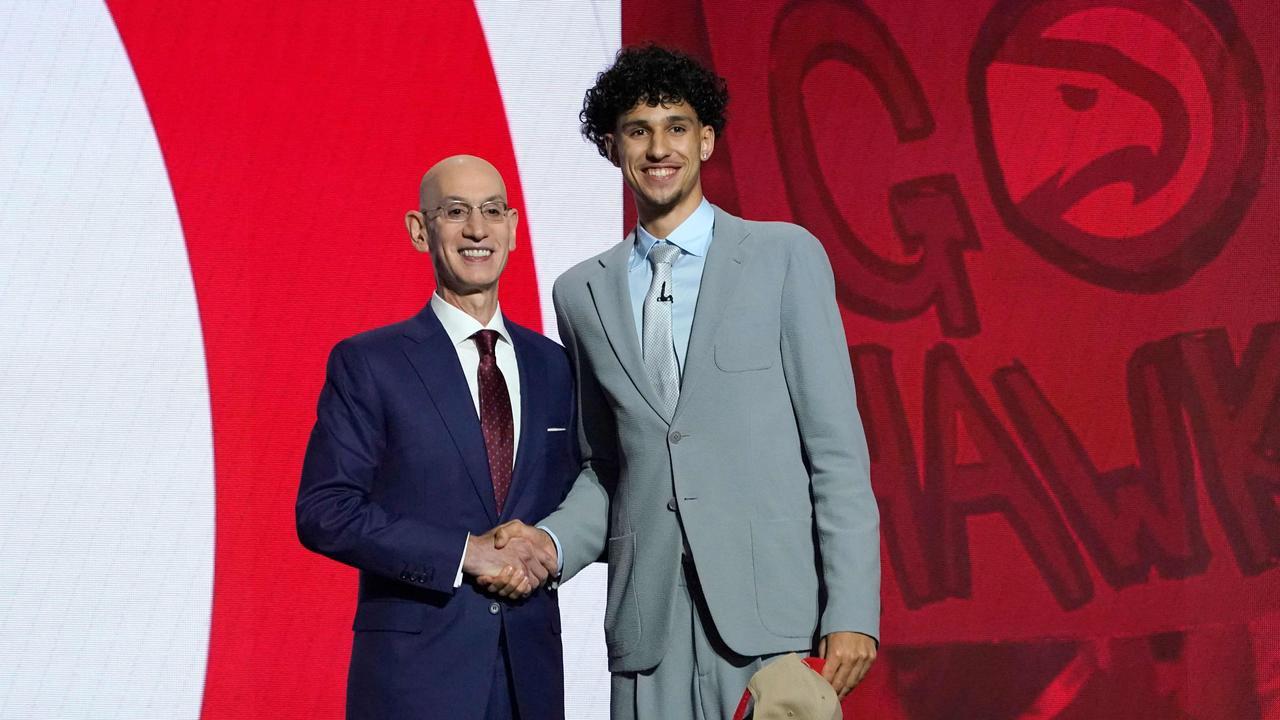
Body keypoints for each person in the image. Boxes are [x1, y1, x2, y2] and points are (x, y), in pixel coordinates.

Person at [485, 45, 881, 719]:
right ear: (613, 147)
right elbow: (607, 468)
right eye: (638, 129)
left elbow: (836, 454)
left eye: (676, 126)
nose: (658, 146)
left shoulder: (784, 257)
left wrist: (852, 610)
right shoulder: (580, 292)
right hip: (650, 633)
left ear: (706, 139)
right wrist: (547, 543)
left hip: (771, 630)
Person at [296, 155, 573, 720]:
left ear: (514, 229)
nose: (477, 229)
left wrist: (553, 546)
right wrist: (464, 553)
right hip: (414, 681)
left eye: (492, 211)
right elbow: (325, 511)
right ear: (420, 231)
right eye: (456, 212)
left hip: (530, 679)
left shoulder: (555, 366)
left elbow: (587, 494)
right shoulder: (369, 363)